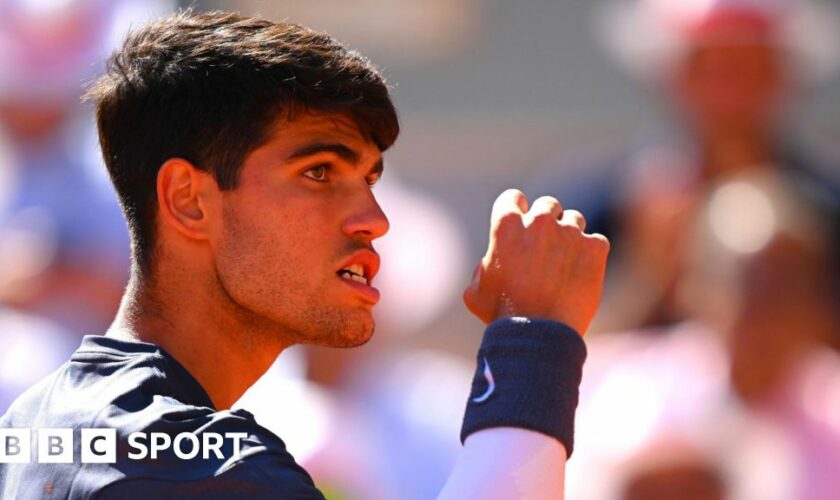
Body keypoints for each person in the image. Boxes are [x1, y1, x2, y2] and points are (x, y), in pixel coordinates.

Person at [0, 10, 610, 499]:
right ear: (188, 200)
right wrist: (534, 341)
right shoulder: (201, 466)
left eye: (369, 179)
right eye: (319, 172)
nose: (375, 221)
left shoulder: (32, 423)